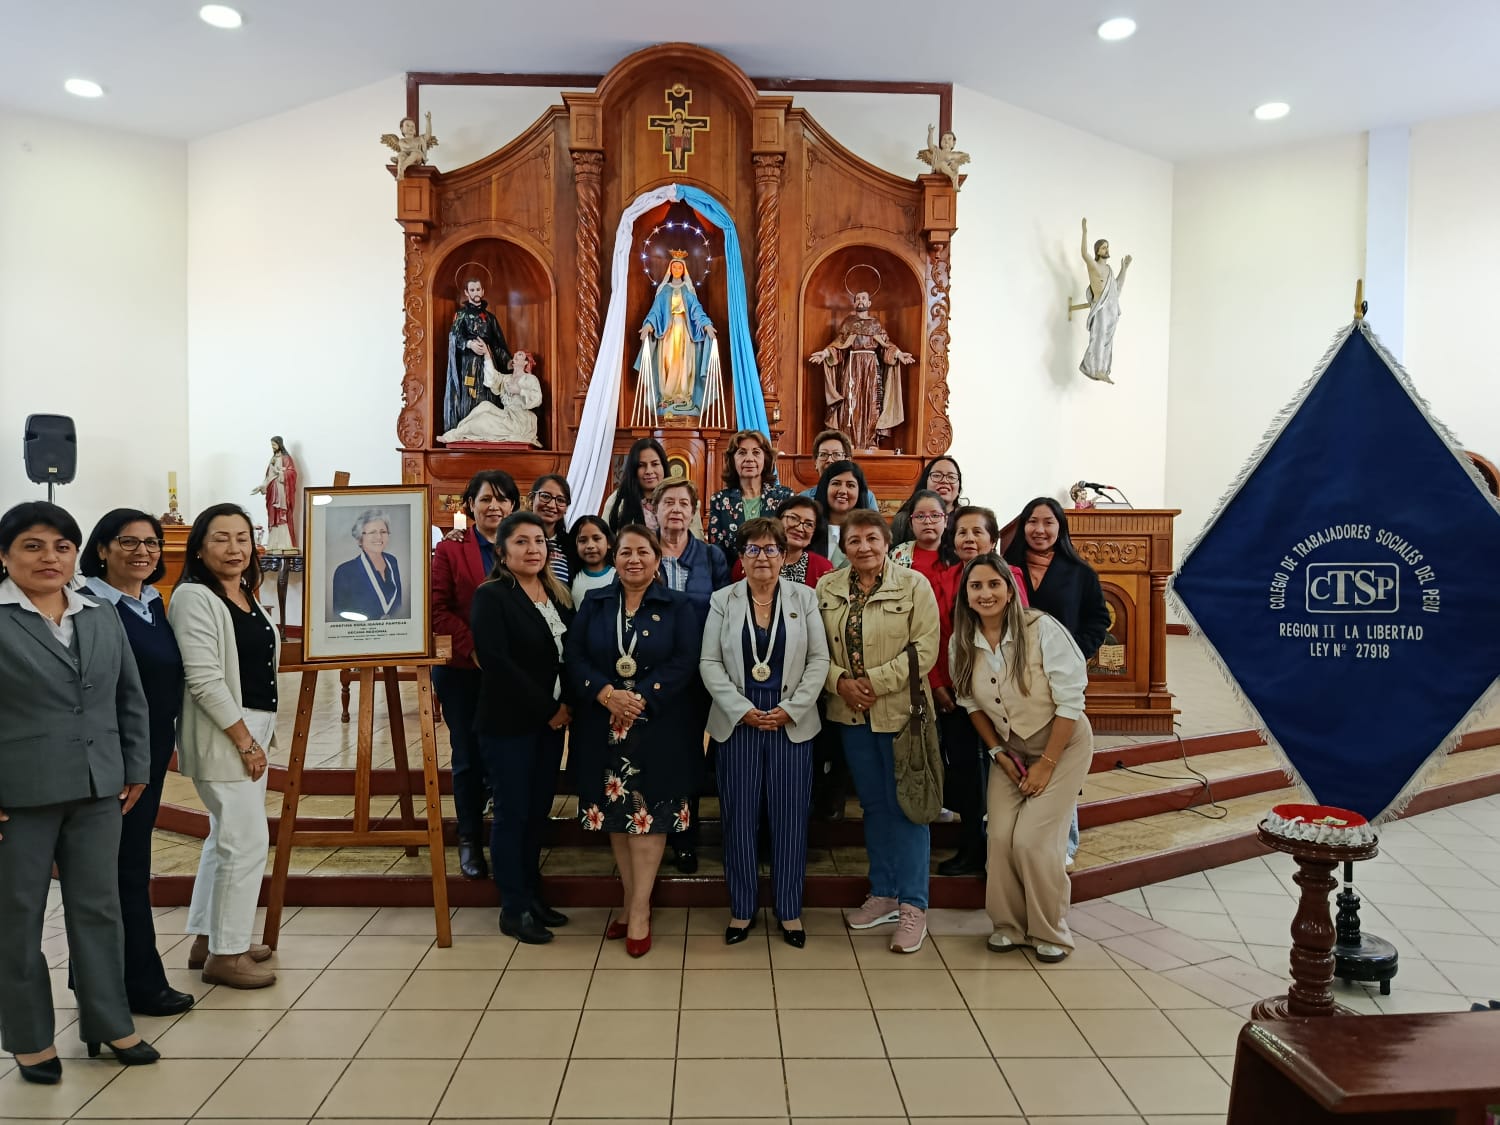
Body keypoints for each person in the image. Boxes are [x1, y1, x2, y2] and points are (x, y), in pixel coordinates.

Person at [0, 501, 159, 1082]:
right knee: (16, 917)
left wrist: (135, 766)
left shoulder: (97, 613)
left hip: (100, 788)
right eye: (33, 546)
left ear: (76, 555)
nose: (50, 557)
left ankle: (108, 1021)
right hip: (18, 794)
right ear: (5, 556)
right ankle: (29, 1037)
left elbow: (129, 696)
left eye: (61, 547)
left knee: (98, 909)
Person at [565, 526, 703, 957]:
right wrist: (606, 693)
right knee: (616, 819)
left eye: (643, 551)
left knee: (649, 818)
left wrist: (642, 697)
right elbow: (575, 656)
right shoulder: (595, 601)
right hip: (604, 726)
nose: (633, 559)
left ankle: (638, 909)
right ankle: (630, 900)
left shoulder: (679, 605)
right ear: (614, 556)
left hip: (658, 728)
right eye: (625, 551)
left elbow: (686, 660)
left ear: (658, 558)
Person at [79, 509, 194, 1017]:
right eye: (128, 542)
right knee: (117, 872)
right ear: (101, 550)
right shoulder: (87, 606)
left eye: (151, 543)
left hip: (146, 755)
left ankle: (113, 983)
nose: (144, 552)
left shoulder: (150, 603)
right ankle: (135, 985)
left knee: (127, 867)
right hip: (113, 758)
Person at [952, 555, 1092, 961]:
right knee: (998, 838)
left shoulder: (1041, 628)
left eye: (994, 584)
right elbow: (969, 702)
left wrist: (1046, 764)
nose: (985, 593)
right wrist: (997, 751)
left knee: (1032, 841)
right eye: (976, 586)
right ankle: (1009, 925)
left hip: (1062, 746)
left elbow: (1070, 702)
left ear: (1009, 589)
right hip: (1010, 749)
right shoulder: (962, 639)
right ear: (966, 595)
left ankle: (1051, 930)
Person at [816, 509, 939, 953]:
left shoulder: (913, 586)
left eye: (872, 538)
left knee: (908, 806)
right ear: (843, 547)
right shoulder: (827, 587)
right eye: (854, 541)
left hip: (901, 713)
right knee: (873, 805)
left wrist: (872, 684)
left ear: (888, 542)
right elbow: (813, 649)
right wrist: (841, 684)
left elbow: (924, 649)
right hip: (849, 714)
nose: (864, 547)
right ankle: (884, 892)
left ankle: (913, 906)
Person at [702, 519, 829, 947]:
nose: (762, 558)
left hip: (790, 720)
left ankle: (789, 910)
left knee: (790, 819)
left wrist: (791, 710)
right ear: (741, 557)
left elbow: (818, 660)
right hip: (738, 721)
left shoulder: (805, 598)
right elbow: (709, 663)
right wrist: (741, 710)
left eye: (771, 549)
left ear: (783, 554)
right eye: (753, 550)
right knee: (738, 818)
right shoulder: (723, 600)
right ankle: (742, 909)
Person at [169, 503, 279, 990]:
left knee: (224, 838)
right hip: (226, 734)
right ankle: (227, 954)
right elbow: (205, 680)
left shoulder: (244, 593)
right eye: (221, 538)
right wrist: (245, 742)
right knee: (246, 841)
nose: (235, 548)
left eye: (242, 537)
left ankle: (208, 938)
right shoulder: (194, 597)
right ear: (199, 546)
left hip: (251, 728)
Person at [470, 513, 574, 944]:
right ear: (502, 551)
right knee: (512, 815)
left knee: (535, 814)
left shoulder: (556, 592)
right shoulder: (492, 596)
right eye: (522, 542)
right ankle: (513, 907)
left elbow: (569, 654)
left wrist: (566, 703)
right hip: (511, 723)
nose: (533, 549)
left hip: (551, 725)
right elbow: (498, 663)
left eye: (539, 541)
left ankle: (532, 896)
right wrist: (548, 708)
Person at [1002, 496, 1110, 863]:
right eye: (1032, 521)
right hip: (1013, 677)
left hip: (1059, 681)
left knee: (1059, 755)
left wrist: (1073, 653)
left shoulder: (1079, 572)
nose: (1040, 530)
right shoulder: (1005, 568)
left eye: (1049, 522)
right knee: (1017, 750)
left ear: (1060, 528)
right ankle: (1015, 833)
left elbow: (1098, 621)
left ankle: (1064, 841)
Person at [929, 506, 1028, 877]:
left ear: (993, 538)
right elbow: (936, 635)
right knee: (967, 773)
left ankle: (1003, 852)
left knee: (1005, 771)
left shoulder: (1011, 576)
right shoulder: (943, 579)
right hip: (956, 694)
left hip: (1002, 696)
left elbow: (1020, 636)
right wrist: (938, 682)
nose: (969, 539)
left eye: (977, 532)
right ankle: (972, 846)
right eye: (961, 533)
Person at [431, 470, 519, 880]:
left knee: (505, 756)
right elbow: (438, 610)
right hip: (464, 670)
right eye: (485, 499)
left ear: (515, 506)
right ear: (470, 505)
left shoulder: (524, 543)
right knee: (467, 756)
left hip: (513, 673)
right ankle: (469, 837)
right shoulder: (451, 551)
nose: (494, 507)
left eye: (502, 499)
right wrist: (477, 648)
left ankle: (508, 837)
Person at [652, 477, 730, 874]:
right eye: (669, 502)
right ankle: (650, 830)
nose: (677, 509)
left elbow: (725, 611)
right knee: (653, 753)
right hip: (651, 671)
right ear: (655, 509)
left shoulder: (711, 556)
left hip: (699, 671)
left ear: (694, 510)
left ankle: (685, 837)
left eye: (684, 502)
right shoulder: (639, 550)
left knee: (688, 757)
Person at [809, 289, 916, 451]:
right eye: (858, 298)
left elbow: (886, 345)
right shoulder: (848, 323)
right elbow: (839, 344)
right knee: (849, 403)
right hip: (852, 367)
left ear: (869, 303)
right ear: (854, 303)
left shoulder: (875, 324)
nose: (860, 301)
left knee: (872, 403)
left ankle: (871, 442)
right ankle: (848, 442)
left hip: (871, 368)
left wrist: (899, 355)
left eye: (863, 298)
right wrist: (824, 354)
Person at [638, 252, 716, 413]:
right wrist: (648, 325)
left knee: (684, 362)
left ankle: (684, 396)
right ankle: (667, 397)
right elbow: (655, 312)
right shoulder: (664, 290)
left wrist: (707, 325)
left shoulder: (688, 290)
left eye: (680, 266)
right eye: (674, 266)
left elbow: (697, 311)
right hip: (667, 332)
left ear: (684, 269)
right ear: (670, 269)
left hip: (685, 333)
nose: (677, 269)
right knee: (668, 362)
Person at [706, 429, 795, 559]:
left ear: (766, 459)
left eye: (756, 452)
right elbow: (717, 551)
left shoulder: (784, 497)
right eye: (742, 453)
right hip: (733, 576)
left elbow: (790, 545)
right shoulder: (720, 500)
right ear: (732, 460)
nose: (749, 459)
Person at [444, 276, 513, 432]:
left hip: (488, 364)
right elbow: (454, 336)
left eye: (478, 289)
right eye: (472, 290)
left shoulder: (490, 318)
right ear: (467, 293)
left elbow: (497, 344)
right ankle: (466, 430)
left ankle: (487, 431)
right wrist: (469, 344)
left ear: (482, 291)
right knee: (470, 396)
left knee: (488, 394)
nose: (475, 292)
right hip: (469, 365)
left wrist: (508, 361)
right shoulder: (461, 315)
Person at [730, 495, 834, 587]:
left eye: (809, 524)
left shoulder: (823, 568)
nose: (799, 528)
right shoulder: (747, 560)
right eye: (793, 518)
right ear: (778, 520)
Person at [1079, 217, 1132, 384]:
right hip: (1100, 309)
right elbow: (1084, 254)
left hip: (1111, 311)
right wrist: (1085, 232)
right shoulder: (1094, 267)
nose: (1106, 249)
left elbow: (1116, 288)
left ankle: (1102, 369)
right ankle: (1095, 369)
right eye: (1103, 247)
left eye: (1107, 247)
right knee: (1098, 338)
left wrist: (1124, 269)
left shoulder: (1109, 269)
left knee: (1107, 341)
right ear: (1098, 251)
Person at [330, 509, 404, 622]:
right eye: (372, 532)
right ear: (360, 539)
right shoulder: (344, 571)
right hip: (360, 635)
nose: (379, 537)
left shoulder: (392, 561)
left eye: (383, 532)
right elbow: (339, 616)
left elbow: (398, 603)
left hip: (394, 634)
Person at [811, 459, 877, 568]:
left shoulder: (872, 532)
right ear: (825, 488)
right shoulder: (809, 528)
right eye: (836, 483)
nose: (842, 490)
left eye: (850, 485)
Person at [891, 456, 964, 545]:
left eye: (951, 477)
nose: (944, 481)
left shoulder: (967, 519)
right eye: (936, 475)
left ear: (959, 487)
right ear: (925, 482)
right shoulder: (902, 520)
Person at [798, 429, 879, 508]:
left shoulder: (867, 497)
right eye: (823, 454)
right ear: (816, 462)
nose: (829, 460)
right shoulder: (804, 499)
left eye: (836, 454)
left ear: (848, 461)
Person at [250, 436, 298, 552]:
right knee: (273, 514)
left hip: (281, 490)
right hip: (272, 490)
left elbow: (292, 473)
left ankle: (285, 543)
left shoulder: (286, 458)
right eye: (271, 445)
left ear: (280, 444)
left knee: (282, 514)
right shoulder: (272, 459)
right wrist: (262, 486)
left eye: (274, 445)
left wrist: (282, 473)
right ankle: (273, 543)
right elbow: (268, 476)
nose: (273, 447)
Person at [890, 489, 949, 576]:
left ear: (945, 521)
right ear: (910, 523)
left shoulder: (957, 554)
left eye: (935, 515)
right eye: (920, 516)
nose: (927, 521)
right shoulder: (898, 554)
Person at [528, 474, 574, 585]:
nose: (552, 505)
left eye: (560, 500)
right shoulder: (515, 539)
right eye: (545, 496)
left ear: (566, 508)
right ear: (531, 498)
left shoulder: (571, 545)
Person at [568, 515, 616, 603]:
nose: (590, 546)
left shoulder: (619, 577)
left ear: (609, 542)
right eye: (582, 540)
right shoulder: (570, 579)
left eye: (596, 539)